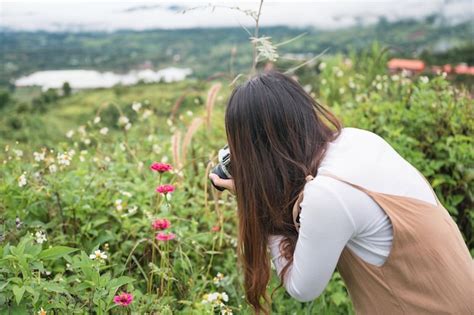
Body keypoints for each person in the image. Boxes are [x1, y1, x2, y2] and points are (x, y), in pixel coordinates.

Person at [209, 70, 473, 315]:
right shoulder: (356, 139)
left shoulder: (327, 195)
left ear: (260, 152)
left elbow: (302, 288)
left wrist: (255, 200)